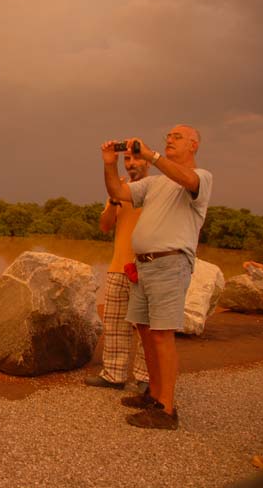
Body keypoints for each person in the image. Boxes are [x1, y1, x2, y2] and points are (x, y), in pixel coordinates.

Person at [101, 124, 212, 430]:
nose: (170, 140)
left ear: (194, 145)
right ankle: (154, 393)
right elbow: (119, 192)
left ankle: (167, 409)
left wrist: (151, 153)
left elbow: (186, 178)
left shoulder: (201, 177)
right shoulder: (155, 185)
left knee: (162, 333)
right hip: (144, 266)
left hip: (170, 264)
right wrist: (109, 165)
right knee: (146, 330)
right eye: (168, 137)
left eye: (177, 137)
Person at [84, 149, 150, 392]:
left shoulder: (156, 189)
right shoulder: (118, 190)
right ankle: (114, 374)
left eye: (136, 158)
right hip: (118, 267)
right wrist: (113, 198)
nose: (131, 163)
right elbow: (104, 226)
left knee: (146, 327)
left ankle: (145, 378)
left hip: (148, 269)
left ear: (147, 161)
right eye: (127, 160)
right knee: (114, 324)